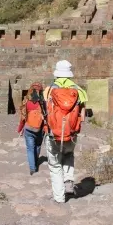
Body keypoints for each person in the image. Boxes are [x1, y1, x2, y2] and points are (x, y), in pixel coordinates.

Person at [43, 60, 88, 203]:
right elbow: (83, 117)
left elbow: (45, 112)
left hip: (52, 134)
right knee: (68, 154)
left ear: (57, 73)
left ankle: (59, 197)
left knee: (55, 165)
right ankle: (68, 180)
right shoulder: (79, 91)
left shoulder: (48, 90)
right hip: (71, 134)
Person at [17, 82, 45, 176]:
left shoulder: (26, 102)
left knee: (30, 148)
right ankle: (36, 161)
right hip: (40, 128)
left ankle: (32, 168)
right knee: (37, 146)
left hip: (28, 128)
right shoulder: (42, 102)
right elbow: (46, 117)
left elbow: (23, 118)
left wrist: (20, 129)